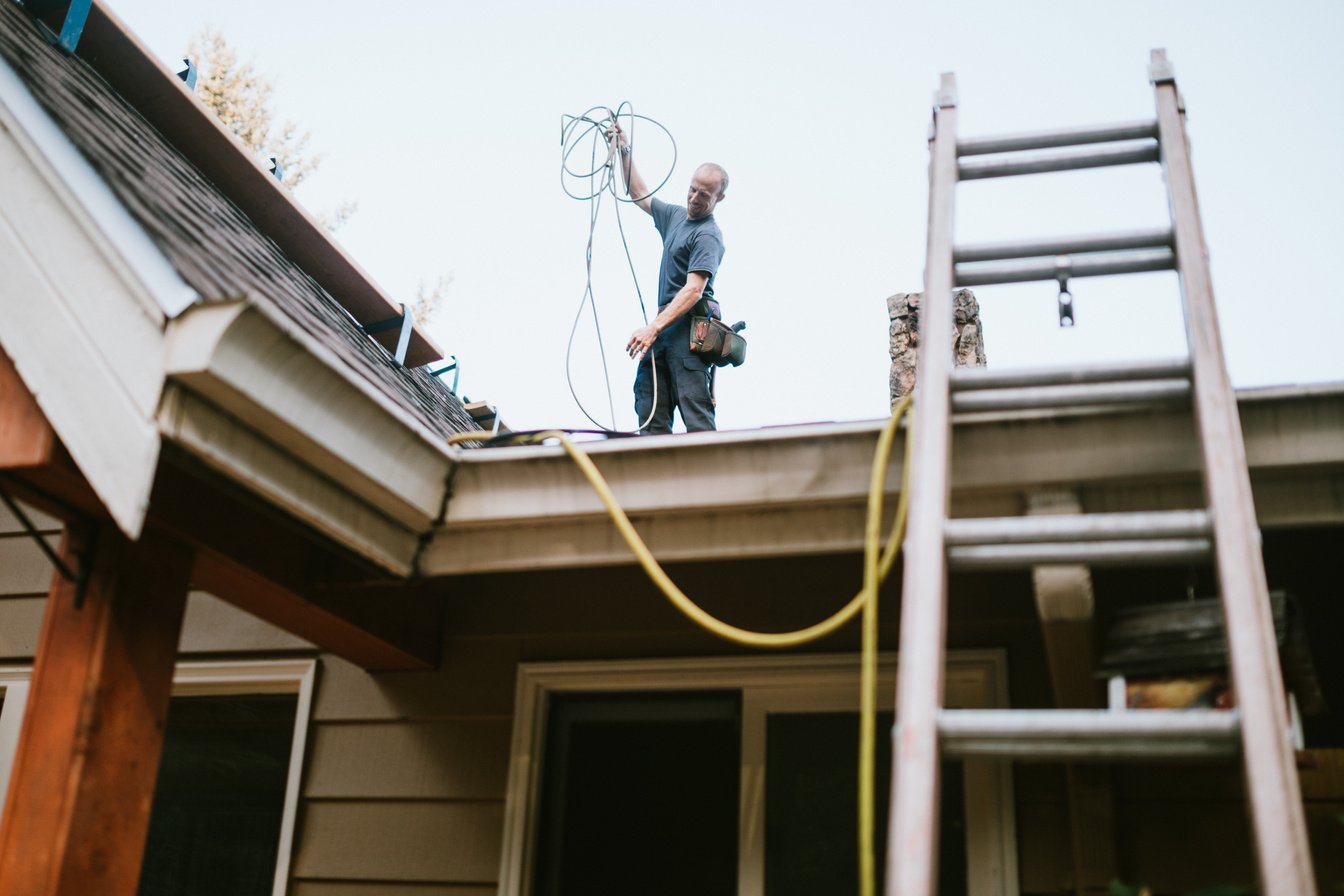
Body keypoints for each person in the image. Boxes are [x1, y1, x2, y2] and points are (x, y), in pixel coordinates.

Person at [607, 122, 728, 434]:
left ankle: (709, 474)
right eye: (692, 189)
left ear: (719, 198)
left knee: (695, 411)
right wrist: (623, 149)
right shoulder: (675, 217)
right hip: (661, 334)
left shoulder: (707, 235)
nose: (695, 198)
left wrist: (653, 328)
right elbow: (640, 194)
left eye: (705, 194)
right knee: (649, 411)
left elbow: (694, 290)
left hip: (685, 335)